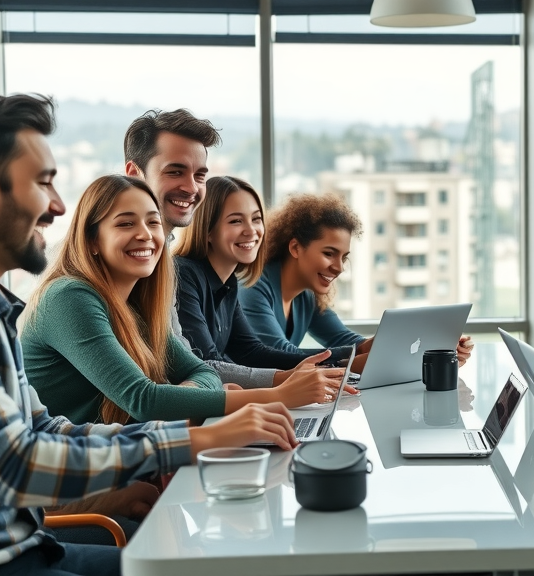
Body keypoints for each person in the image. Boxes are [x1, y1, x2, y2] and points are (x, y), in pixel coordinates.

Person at [0, 88, 296, 576]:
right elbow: (14, 465)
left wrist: (182, 439)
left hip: (23, 545)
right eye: (43, 184)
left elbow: (46, 431)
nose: (56, 206)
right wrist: (191, 441)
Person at [23, 174, 345, 425]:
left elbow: (203, 373)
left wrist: (191, 393)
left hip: (126, 462)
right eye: (125, 223)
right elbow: (145, 400)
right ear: (92, 240)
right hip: (71, 489)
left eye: (152, 221)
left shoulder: (135, 304)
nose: (146, 234)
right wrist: (277, 396)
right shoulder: (69, 297)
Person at [122, 109, 326, 382]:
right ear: (135, 174)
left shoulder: (168, 267)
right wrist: (280, 385)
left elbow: (197, 363)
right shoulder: (173, 272)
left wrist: (336, 362)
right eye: (175, 171)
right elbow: (186, 372)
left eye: (200, 175)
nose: (191, 188)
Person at [239, 192, 474, 371]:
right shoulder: (253, 287)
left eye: (344, 257)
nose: (339, 268)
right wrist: (365, 359)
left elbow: (346, 340)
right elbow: (281, 355)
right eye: (329, 254)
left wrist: (432, 349)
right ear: (295, 247)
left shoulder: (306, 296)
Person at [174, 175, 359, 393]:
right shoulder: (183, 274)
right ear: (208, 230)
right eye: (236, 221)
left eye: (256, 219)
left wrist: (343, 355)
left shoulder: (228, 283)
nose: (251, 231)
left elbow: (252, 352)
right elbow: (208, 365)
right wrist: (290, 379)